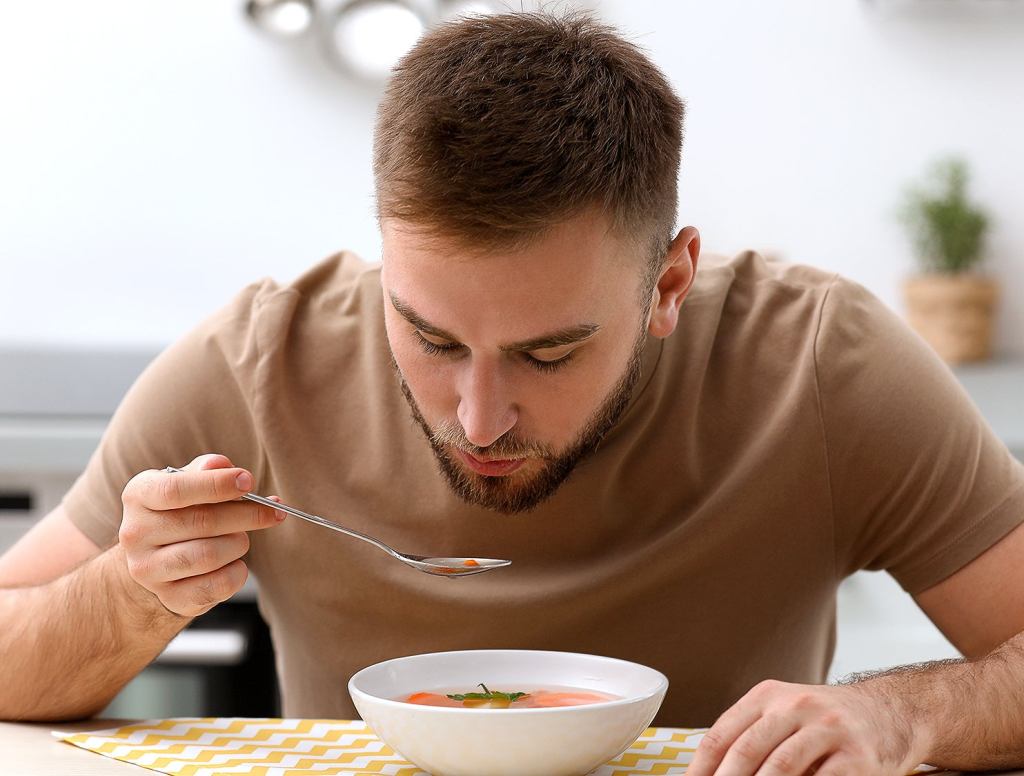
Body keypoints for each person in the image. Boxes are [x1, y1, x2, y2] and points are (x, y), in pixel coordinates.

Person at [1, 10, 1022, 775]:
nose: (478, 417)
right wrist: (128, 591)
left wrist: (906, 715)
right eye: (430, 335)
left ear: (667, 284)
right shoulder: (259, 363)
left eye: (550, 351)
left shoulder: (816, 359)